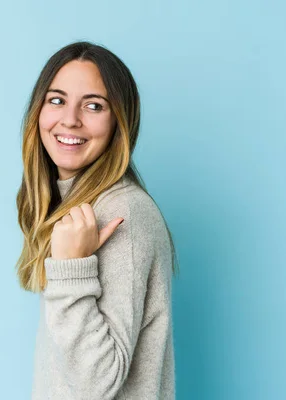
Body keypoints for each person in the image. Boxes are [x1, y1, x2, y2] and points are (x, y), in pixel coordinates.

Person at [15, 40, 179, 400]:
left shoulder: (123, 213)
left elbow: (96, 385)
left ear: (120, 122)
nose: (70, 119)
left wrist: (71, 269)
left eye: (93, 106)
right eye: (56, 100)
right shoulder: (75, 208)